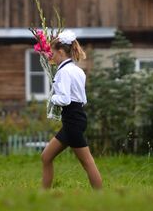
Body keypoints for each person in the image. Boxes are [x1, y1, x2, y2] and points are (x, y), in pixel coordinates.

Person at [41, 30, 103, 190]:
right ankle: (43, 195)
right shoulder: (77, 70)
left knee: (87, 162)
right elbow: (83, 99)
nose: (51, 56)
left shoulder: (64, 72)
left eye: (53, 52)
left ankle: (102, 198)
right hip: (75, 118)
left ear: (61, 52)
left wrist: (51, 98)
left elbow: (65, 99)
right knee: (46, 156)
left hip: (72, 121)